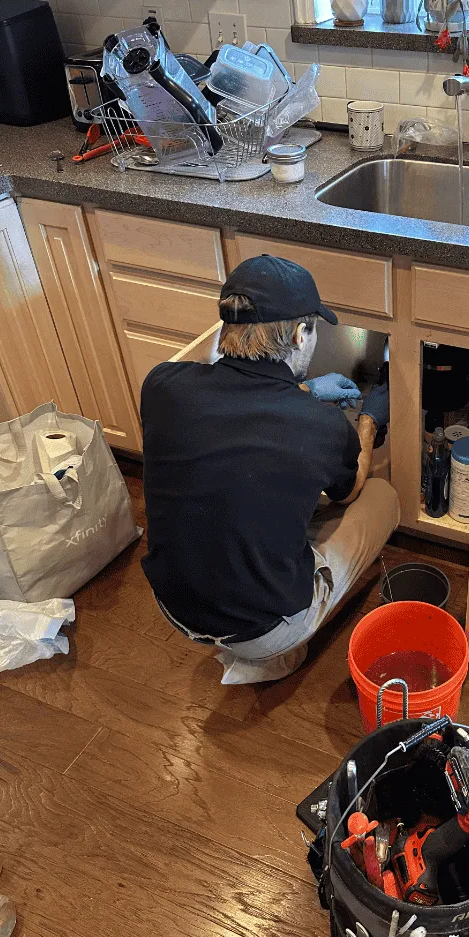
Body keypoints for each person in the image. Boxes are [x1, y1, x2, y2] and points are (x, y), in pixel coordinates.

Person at [140, 255, 400, 685]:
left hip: (173, 605)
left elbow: (237, 412)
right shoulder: (319, 427)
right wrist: (369, 422)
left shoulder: (162, 385)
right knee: (381, 497)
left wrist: (305, 389)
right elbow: (348, 489)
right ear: (300, 335)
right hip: (261, 629)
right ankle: (276, 657)